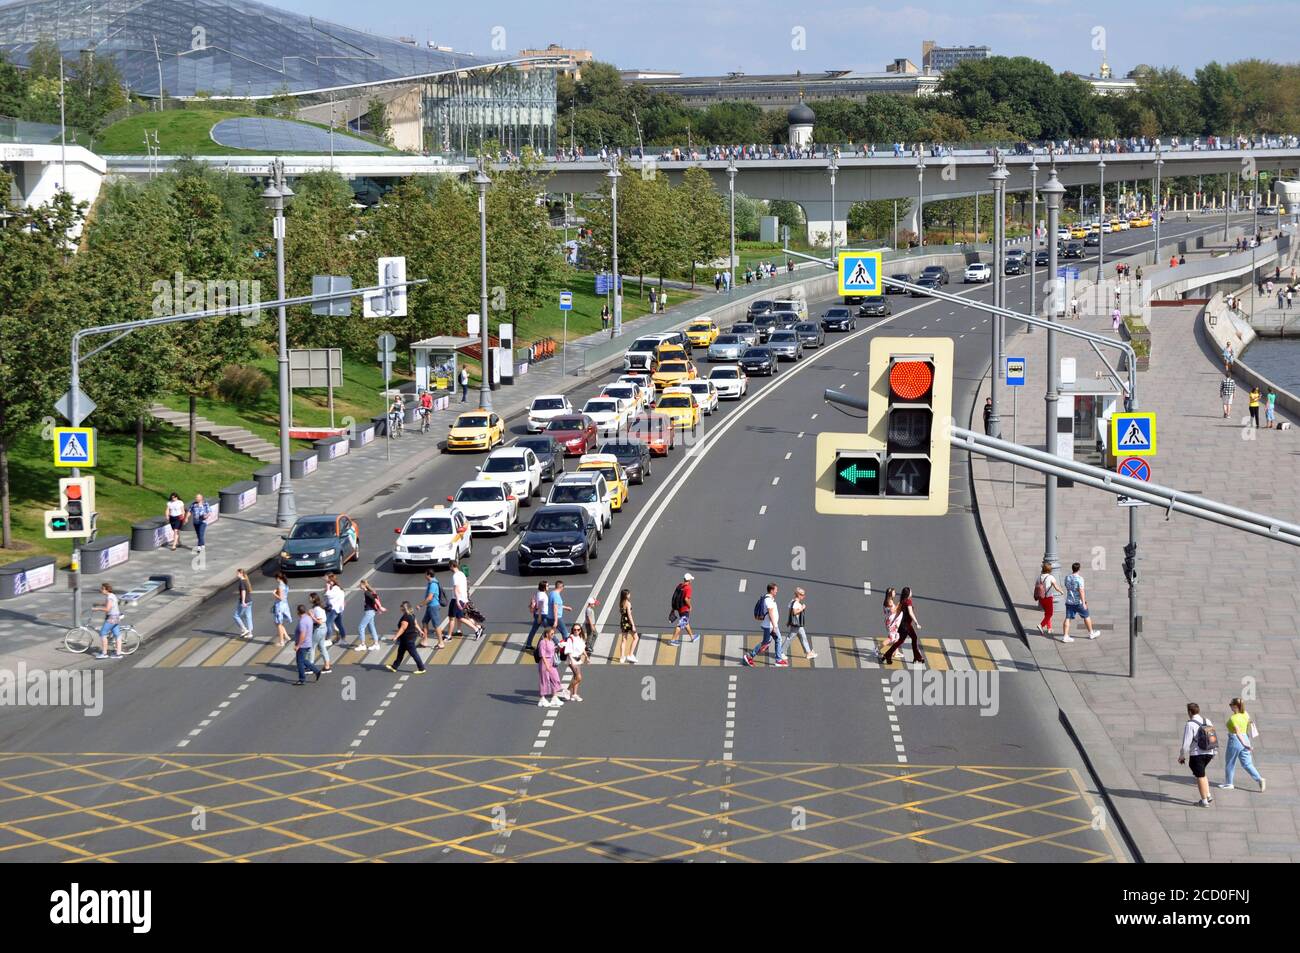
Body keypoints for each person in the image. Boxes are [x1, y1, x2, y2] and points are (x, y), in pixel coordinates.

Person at [1219, 697, 1265, 791]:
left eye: (1231, 705)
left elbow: (1238, 732)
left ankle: (1229, 783)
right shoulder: (1245, 714)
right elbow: (1248, 724)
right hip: (1246, 738)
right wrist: (1246, 743)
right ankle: (1259, 779)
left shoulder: (1233, 718)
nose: (1230, 706)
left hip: (1235, 740)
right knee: (1247, 763)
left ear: (1236, 706)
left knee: (1230, 762)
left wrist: (1244, 744)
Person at [1178, 702, 1218, 808]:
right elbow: (1212, 736)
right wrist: (1214, 751)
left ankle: (1204, 801)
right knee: (1202, 774)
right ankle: (1208, 795)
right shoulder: (1207, 720)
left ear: (1190, 712)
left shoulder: (1190, 724)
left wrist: (1182, 755)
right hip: (1209, 752)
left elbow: (1186, 742)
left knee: (1200, 776)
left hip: (1197, 754)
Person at [741, 582, 786, 667]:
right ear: (772, 590)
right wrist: (775, 626)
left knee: (774, 640)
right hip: (769, 626)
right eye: (776, 590)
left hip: (770, 625)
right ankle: (749, 656)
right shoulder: (768, 600)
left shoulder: (769, 598)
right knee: (769, 641)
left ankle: (778, 659)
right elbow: (771, 613)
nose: (777, 591)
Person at [881, 586, 924, 665]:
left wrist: (893, 621)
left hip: (904, 625)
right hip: (906, 626)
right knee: (901, 641)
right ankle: (887, 655)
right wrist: (917, 623)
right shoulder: (908, 602)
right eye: (911, 591)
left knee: (913, 638)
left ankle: (917, 657)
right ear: (908, 593)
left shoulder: (902, 601)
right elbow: (911, 613)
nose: (912, 592)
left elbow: (898, 613)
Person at [386, 601, 427, 673]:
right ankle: (394, 667)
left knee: (414, 654)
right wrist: (420, 631)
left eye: (401, 607)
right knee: (400, 652)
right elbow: (415, 624)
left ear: (404, 608)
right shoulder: (412, 615)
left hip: (408, 639)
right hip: (407, 638)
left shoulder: (405, 617)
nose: (400, 608)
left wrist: (396, 637)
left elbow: (403, 628)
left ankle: (421, 668)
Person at [1061, 562, 1097, 642]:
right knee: (1086, 616)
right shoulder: (1080, 579)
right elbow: (1081, 591)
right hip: (1078, 602)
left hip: (1069, 602)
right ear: (1079, 569)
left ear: (1072, 569)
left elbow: (1067, 587)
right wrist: (1084, 603)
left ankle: (1065, 636)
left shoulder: (1067, 577)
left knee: (1068, 618)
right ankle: (1091, 633)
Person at [292, 605, 322, 685]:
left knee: (300, 662)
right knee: (303, 660)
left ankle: (302, 679)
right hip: (308, 642)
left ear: (298, 612)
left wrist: (298, 645)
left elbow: (303, 634)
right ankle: (317, 671)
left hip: (303, 644)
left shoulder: (302, 621)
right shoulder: (308, 618)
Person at [94, 583, 124, 660]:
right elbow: (111, 604)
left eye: (102, 589)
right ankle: (118, 654)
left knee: (102, 633)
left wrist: (97, 609)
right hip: (116, 617)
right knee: (117, 634)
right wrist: (99, 604)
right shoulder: (112, 595)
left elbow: (107, 609)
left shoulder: (109, 597)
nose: (101, 590)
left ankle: (104, 653)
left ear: (106, 590)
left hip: (111, 618)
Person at [559, 622, 588, 702]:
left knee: (576, 676)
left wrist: (586, 657)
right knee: (579, 677)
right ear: (572, 630)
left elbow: (583, 648)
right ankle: (567, 690)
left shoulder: (580, 638)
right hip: (572, 659)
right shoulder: (570, 638)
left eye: (578, 629)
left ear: (580, 630)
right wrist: (572, 661)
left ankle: (574, 694)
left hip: (578, 659)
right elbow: (568, 651)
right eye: (574, 629)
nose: (576, 631)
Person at [536, 626, 564, 707]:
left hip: (551, 662)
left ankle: (554, 697)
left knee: (555, 678)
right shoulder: (542, 642)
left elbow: (553, 650)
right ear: (547, 634)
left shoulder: (551, 642)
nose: (553, 635)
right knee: (544, 680)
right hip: (545, 663)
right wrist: (547, 665)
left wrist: (558, 647)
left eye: (553, 634)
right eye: (551, 634)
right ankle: (542, 699)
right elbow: (542, 655)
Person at [1034, 562, 1063, 638]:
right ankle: (1041, 625)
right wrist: (1061, 591)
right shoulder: (1051, 577)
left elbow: (1036, 587)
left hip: (1041, 598)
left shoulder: (1039, 577)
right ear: (1050, 570)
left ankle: (1049, 628)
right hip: (1048, 598)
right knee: (1050, 614)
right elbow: (1056, 587)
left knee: (1047, 613)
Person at [355, 579, 384, 651]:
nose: (359, 586)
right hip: (371, 611)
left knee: (361, 627)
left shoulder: (366, 593)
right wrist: (378, 609)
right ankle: (376, 644)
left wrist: (380, 607)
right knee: (371, 627)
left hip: (369, 612)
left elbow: (374, 600)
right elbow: (374, 600)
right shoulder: (368, 592)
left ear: (364, 585)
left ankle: (363, 644)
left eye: (360, 584)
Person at [668, 572, 697, 645]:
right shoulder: (688, 588)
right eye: (691, 579)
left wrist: (673, 609)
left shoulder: (680, 586)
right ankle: (673, 640)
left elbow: (675, 597)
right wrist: (690, 606)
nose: (691, 581)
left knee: (685, 622)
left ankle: (692, 637)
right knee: (680, 625)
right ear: (689, 580)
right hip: (685, 609)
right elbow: (686, 599)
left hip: (679, 609)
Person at [308, 593, 332, 674]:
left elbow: (319, 621)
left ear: (313, 599)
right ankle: (327, 666)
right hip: (323, 628)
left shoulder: (317, 609)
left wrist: (312, 616)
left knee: (311, 647)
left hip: (319, 628)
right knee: (322, 647)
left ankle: (310, 667)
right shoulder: (318, 607)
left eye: (310, 598)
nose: (309, 599)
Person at [788, 587, 815, 659]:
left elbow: (790, 612)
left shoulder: (792, 601)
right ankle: (780, 652)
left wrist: (789, 621)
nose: (804, 596)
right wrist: (802, 608)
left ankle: (808, 652)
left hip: (797, 624)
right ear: (798, 595)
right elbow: (794, 612)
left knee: (803, 637)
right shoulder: (796, 603)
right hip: (796, 624)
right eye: (802, 595)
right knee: (790, 638)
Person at [419, 569, 443, 648]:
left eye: (425, 574)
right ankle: (425, 640)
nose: (424, 576)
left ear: (429, 575)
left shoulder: (433, 584)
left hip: (433, 606)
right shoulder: (431, 583)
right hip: (430, 606)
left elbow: (430, 598)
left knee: (436, 625)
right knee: (424, 621)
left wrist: (420, 605)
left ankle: (441, 643)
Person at [523, 581, 549, 651]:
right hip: (542, 614)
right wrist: (540, 616)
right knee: (549, 630)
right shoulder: (542, 595)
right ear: (544, 587)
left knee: (533, 630)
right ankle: (555, 644)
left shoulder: (538, 593)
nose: (548, 587)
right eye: (547, 585)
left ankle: (528, 645)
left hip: (538, 614)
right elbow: (540, 606)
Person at [618, 588, 640, 664]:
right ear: (626, 595)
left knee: (624, 640)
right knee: (636, 638)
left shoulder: (621, 602)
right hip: (628, 622)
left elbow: (622, 613)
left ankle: (622, 657)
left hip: (623, 622)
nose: (630, 595)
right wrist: (633, 625)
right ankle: (630, 655)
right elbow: (629, 615)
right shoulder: (628, 603)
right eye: (629, 594)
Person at [324, 573, 347, 644]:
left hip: (333, 610)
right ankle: (343, 639)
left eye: (329, 582)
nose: (328, 583)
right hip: (338, 610)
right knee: (339, 624)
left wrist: (327, 588)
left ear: (332, 582)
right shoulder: (338, 588)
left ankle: (328, 639)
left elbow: (328, 595)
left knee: (328, 623)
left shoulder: (335, 589)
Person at [546, 579, 570, 643]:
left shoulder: (551, 593)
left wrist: (565, 607)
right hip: (556, 618)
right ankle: (565, 646)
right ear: (561, 587)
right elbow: (555, 608)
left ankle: (557, 643)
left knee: (551, 632)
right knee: (564, 632)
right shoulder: (556, 595)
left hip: (549, 617)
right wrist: (556, 621)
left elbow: (557, 605)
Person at [272, 572, 291, 646]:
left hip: (280, 606)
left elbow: (281, 598)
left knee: (278, 623)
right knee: (279, 622)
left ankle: (281, 641)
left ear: (278, 578)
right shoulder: (285, 585)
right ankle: (286, 636)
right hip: (285, 605)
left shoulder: (280, 586)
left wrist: (274, 593)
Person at [233, 568, 253, 639]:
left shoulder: (241, 581)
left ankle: (244, 629)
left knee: (236, 616)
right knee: (248, 616)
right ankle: (250, 633)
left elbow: (243, 591)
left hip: (244, 601)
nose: (236, 574)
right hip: (250, 600)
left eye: (237, 573)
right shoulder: (246, 580)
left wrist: (243, 601)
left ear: (241, 574)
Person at [881, 587, 901, 657]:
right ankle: (877, 649)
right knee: (891, 638)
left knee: (897, 636)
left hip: (890, 621)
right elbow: (893, 611)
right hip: (891, 623)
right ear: (890, 594)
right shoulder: (890, 602)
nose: (895, 593)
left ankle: (896, 652)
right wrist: (898, 605)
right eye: (894, 592)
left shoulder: (886, 601)